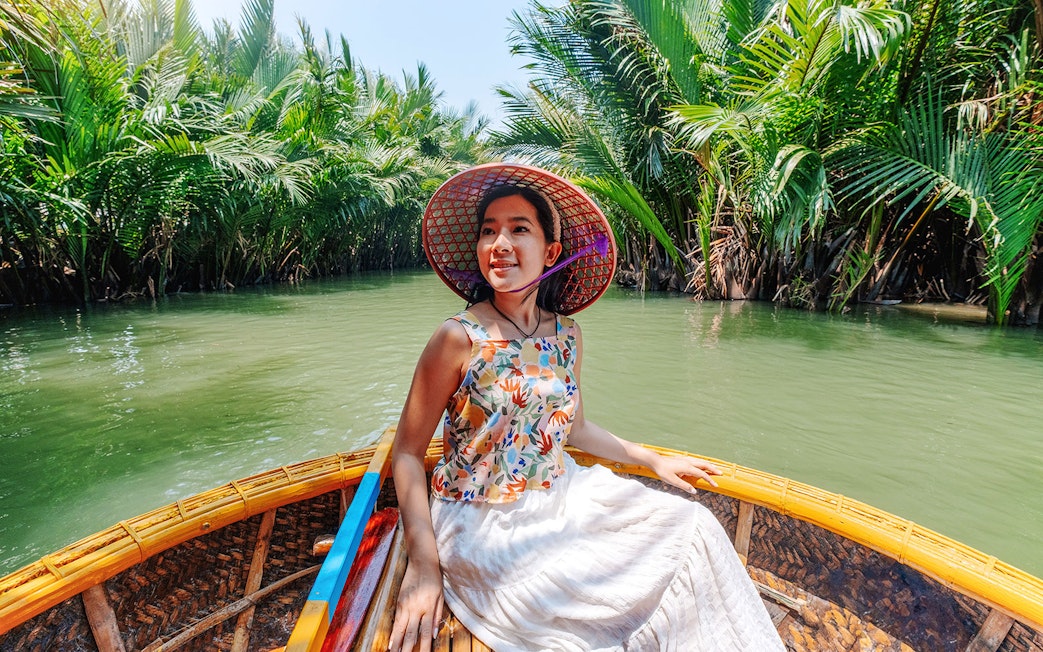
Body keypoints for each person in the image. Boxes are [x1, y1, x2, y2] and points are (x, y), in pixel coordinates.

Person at [389, 163, 785, 651]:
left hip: (562, 495)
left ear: (550, 251)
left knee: (694, 530)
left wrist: (652, 459)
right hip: (482, 519)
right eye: (488, 231)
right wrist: (424, 565)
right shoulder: (458, 337)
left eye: (519, 229)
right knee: (577, 611)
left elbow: (571, 430)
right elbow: (407, 453)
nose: (500, 244)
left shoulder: (567, 335)